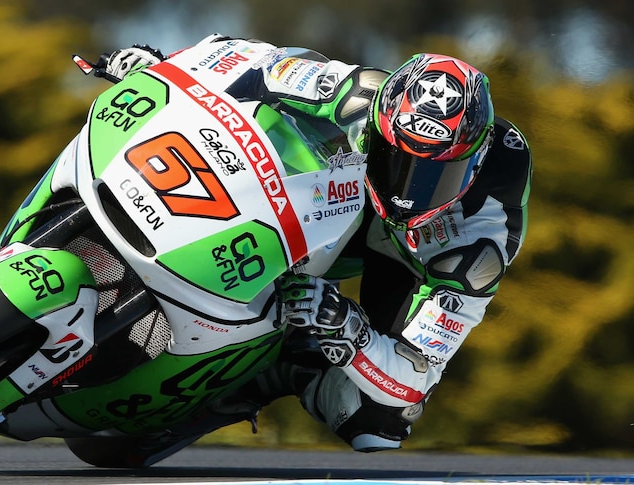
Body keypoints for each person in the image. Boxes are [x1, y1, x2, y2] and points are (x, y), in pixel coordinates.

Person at [96, 35, 532, 452]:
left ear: (473, 162)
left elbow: (416, 377)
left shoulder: (480, 243)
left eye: (435, 175)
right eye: (396, 158)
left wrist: (347, 328)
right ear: (379, 121)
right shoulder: (359, 93)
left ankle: (274, 370)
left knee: (377, 420)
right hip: (343, 199)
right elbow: (250, 62)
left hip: (415, 254)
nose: (408, 189)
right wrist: (162, 66)